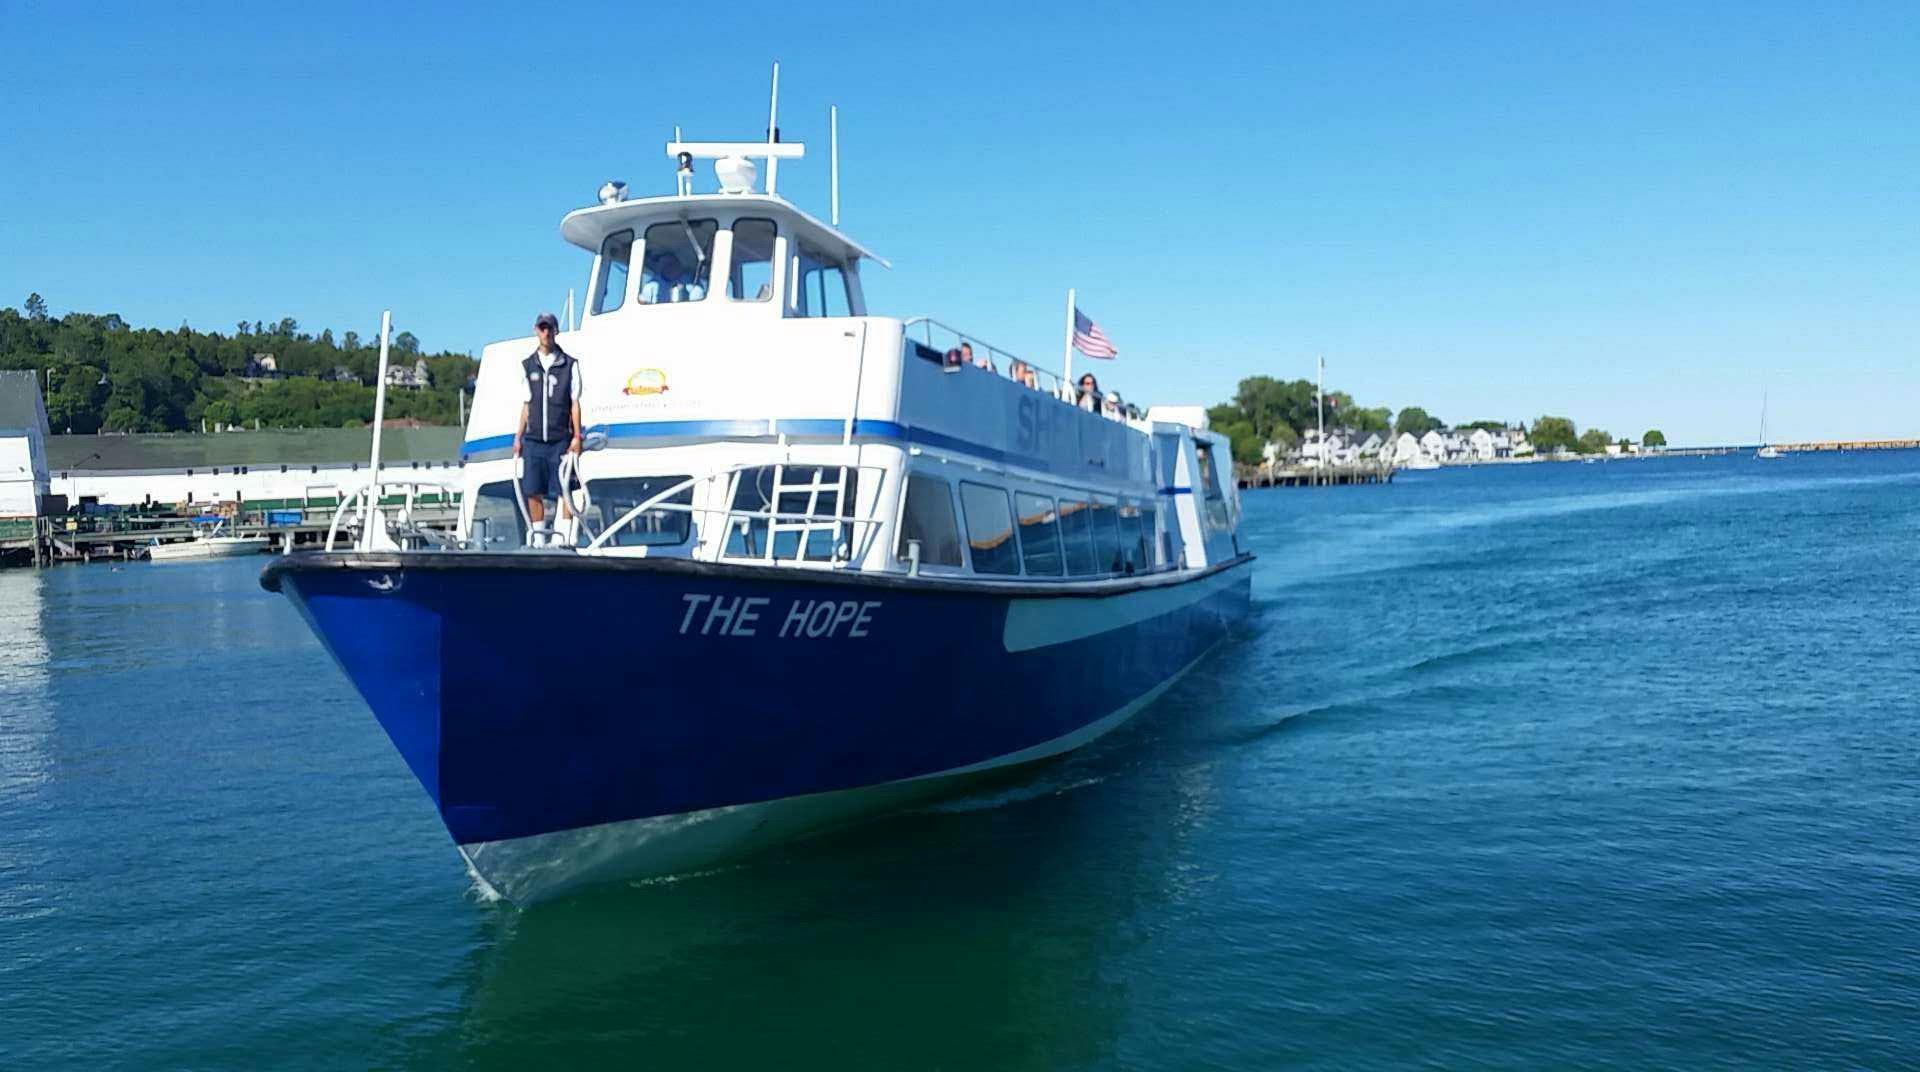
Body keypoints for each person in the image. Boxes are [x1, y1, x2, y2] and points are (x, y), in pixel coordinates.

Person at [513, 312, 582, 546]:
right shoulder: (527, 365)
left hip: (560, 437)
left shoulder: (569, 364)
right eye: (542, 328)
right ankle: (539, 538)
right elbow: (526, 404)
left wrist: (577, 436)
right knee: (533, 489)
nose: (546, 333)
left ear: (555, 331)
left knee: (565, 489)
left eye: (549, 328)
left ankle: (564, 538)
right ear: (536, 330)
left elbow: (574, 403)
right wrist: (518, 436)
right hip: (534, 439)